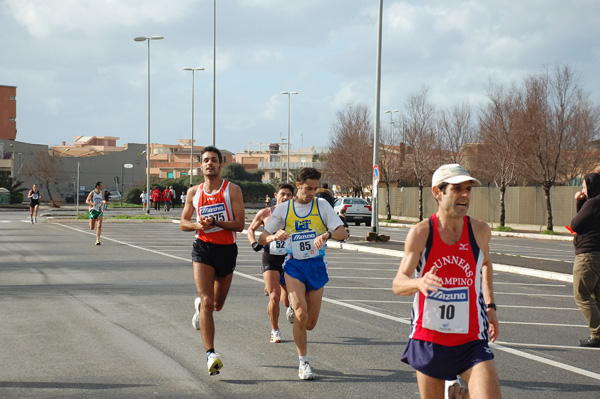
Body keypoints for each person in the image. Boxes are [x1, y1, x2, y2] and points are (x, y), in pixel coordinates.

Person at [392, 164, 500, 399]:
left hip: (471, 338)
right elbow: (398, 283)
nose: (465, 195)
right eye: (457, 189)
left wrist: (490, 306)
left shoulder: (480, 230)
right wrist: (418, 283)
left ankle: (458, 394)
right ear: (437, 192)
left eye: (468, 189)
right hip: (429, 337)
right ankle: (457, 393)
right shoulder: (421, 233)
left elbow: (485, 263)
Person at [258, 167, 347, 380]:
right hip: (294, 266)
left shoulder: (322, 205)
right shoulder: (284, 209)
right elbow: (262, 238)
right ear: (298, 186)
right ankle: (303, 362)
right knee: (300, 313)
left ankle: (299, 319)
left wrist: (326, 235)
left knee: (310, 323)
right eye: (308, 188)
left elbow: (342, 232)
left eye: (315, 188)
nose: (312, 192)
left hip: (316, 266)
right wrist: (275, 236)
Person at [180, 146, 245, 376]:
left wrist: (216, 221)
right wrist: (200, 225)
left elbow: (240, 225)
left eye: (214, 160)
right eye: (206, 160)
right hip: (203, 248)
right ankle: (211, 355)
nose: (210, 163)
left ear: (220, 165)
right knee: (208, 301)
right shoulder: (193, 193)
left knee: (217, 305)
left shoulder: (232, 191)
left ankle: (201, 307)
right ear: (201, 165)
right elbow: (184, 223)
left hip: (227, 249)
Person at [247, 183, 295, 344]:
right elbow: (250, 229)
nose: (286, 197)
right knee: (274, 296)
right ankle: (275, 330)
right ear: (276, 196)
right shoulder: (266, 213)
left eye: (289, 195)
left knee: (287, 300)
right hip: (271, 258)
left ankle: (291, 306)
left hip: (290, 258)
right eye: (283, 194)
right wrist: (254, 243)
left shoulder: (297, 214)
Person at [570, 172, 600, 348]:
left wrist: (580, 201)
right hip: (598, 253)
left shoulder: (593, 202)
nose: (582, 190)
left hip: (588, 254)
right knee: (597, 296)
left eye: (584, 186)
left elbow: (575, 224)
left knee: (581, 294)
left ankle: (597, 333)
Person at [86, 181, 105, 246]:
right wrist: (92, 203)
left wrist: (104, 201)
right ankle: (90, 223)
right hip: (93, 210)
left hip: (99, 211)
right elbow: (87, 201)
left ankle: (98, 240)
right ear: (97, 186)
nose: (102, 187)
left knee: (99, 225)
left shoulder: (102, 193)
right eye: (101, 186)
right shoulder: (92, 193)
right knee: (92, 228)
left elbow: (103, 199)